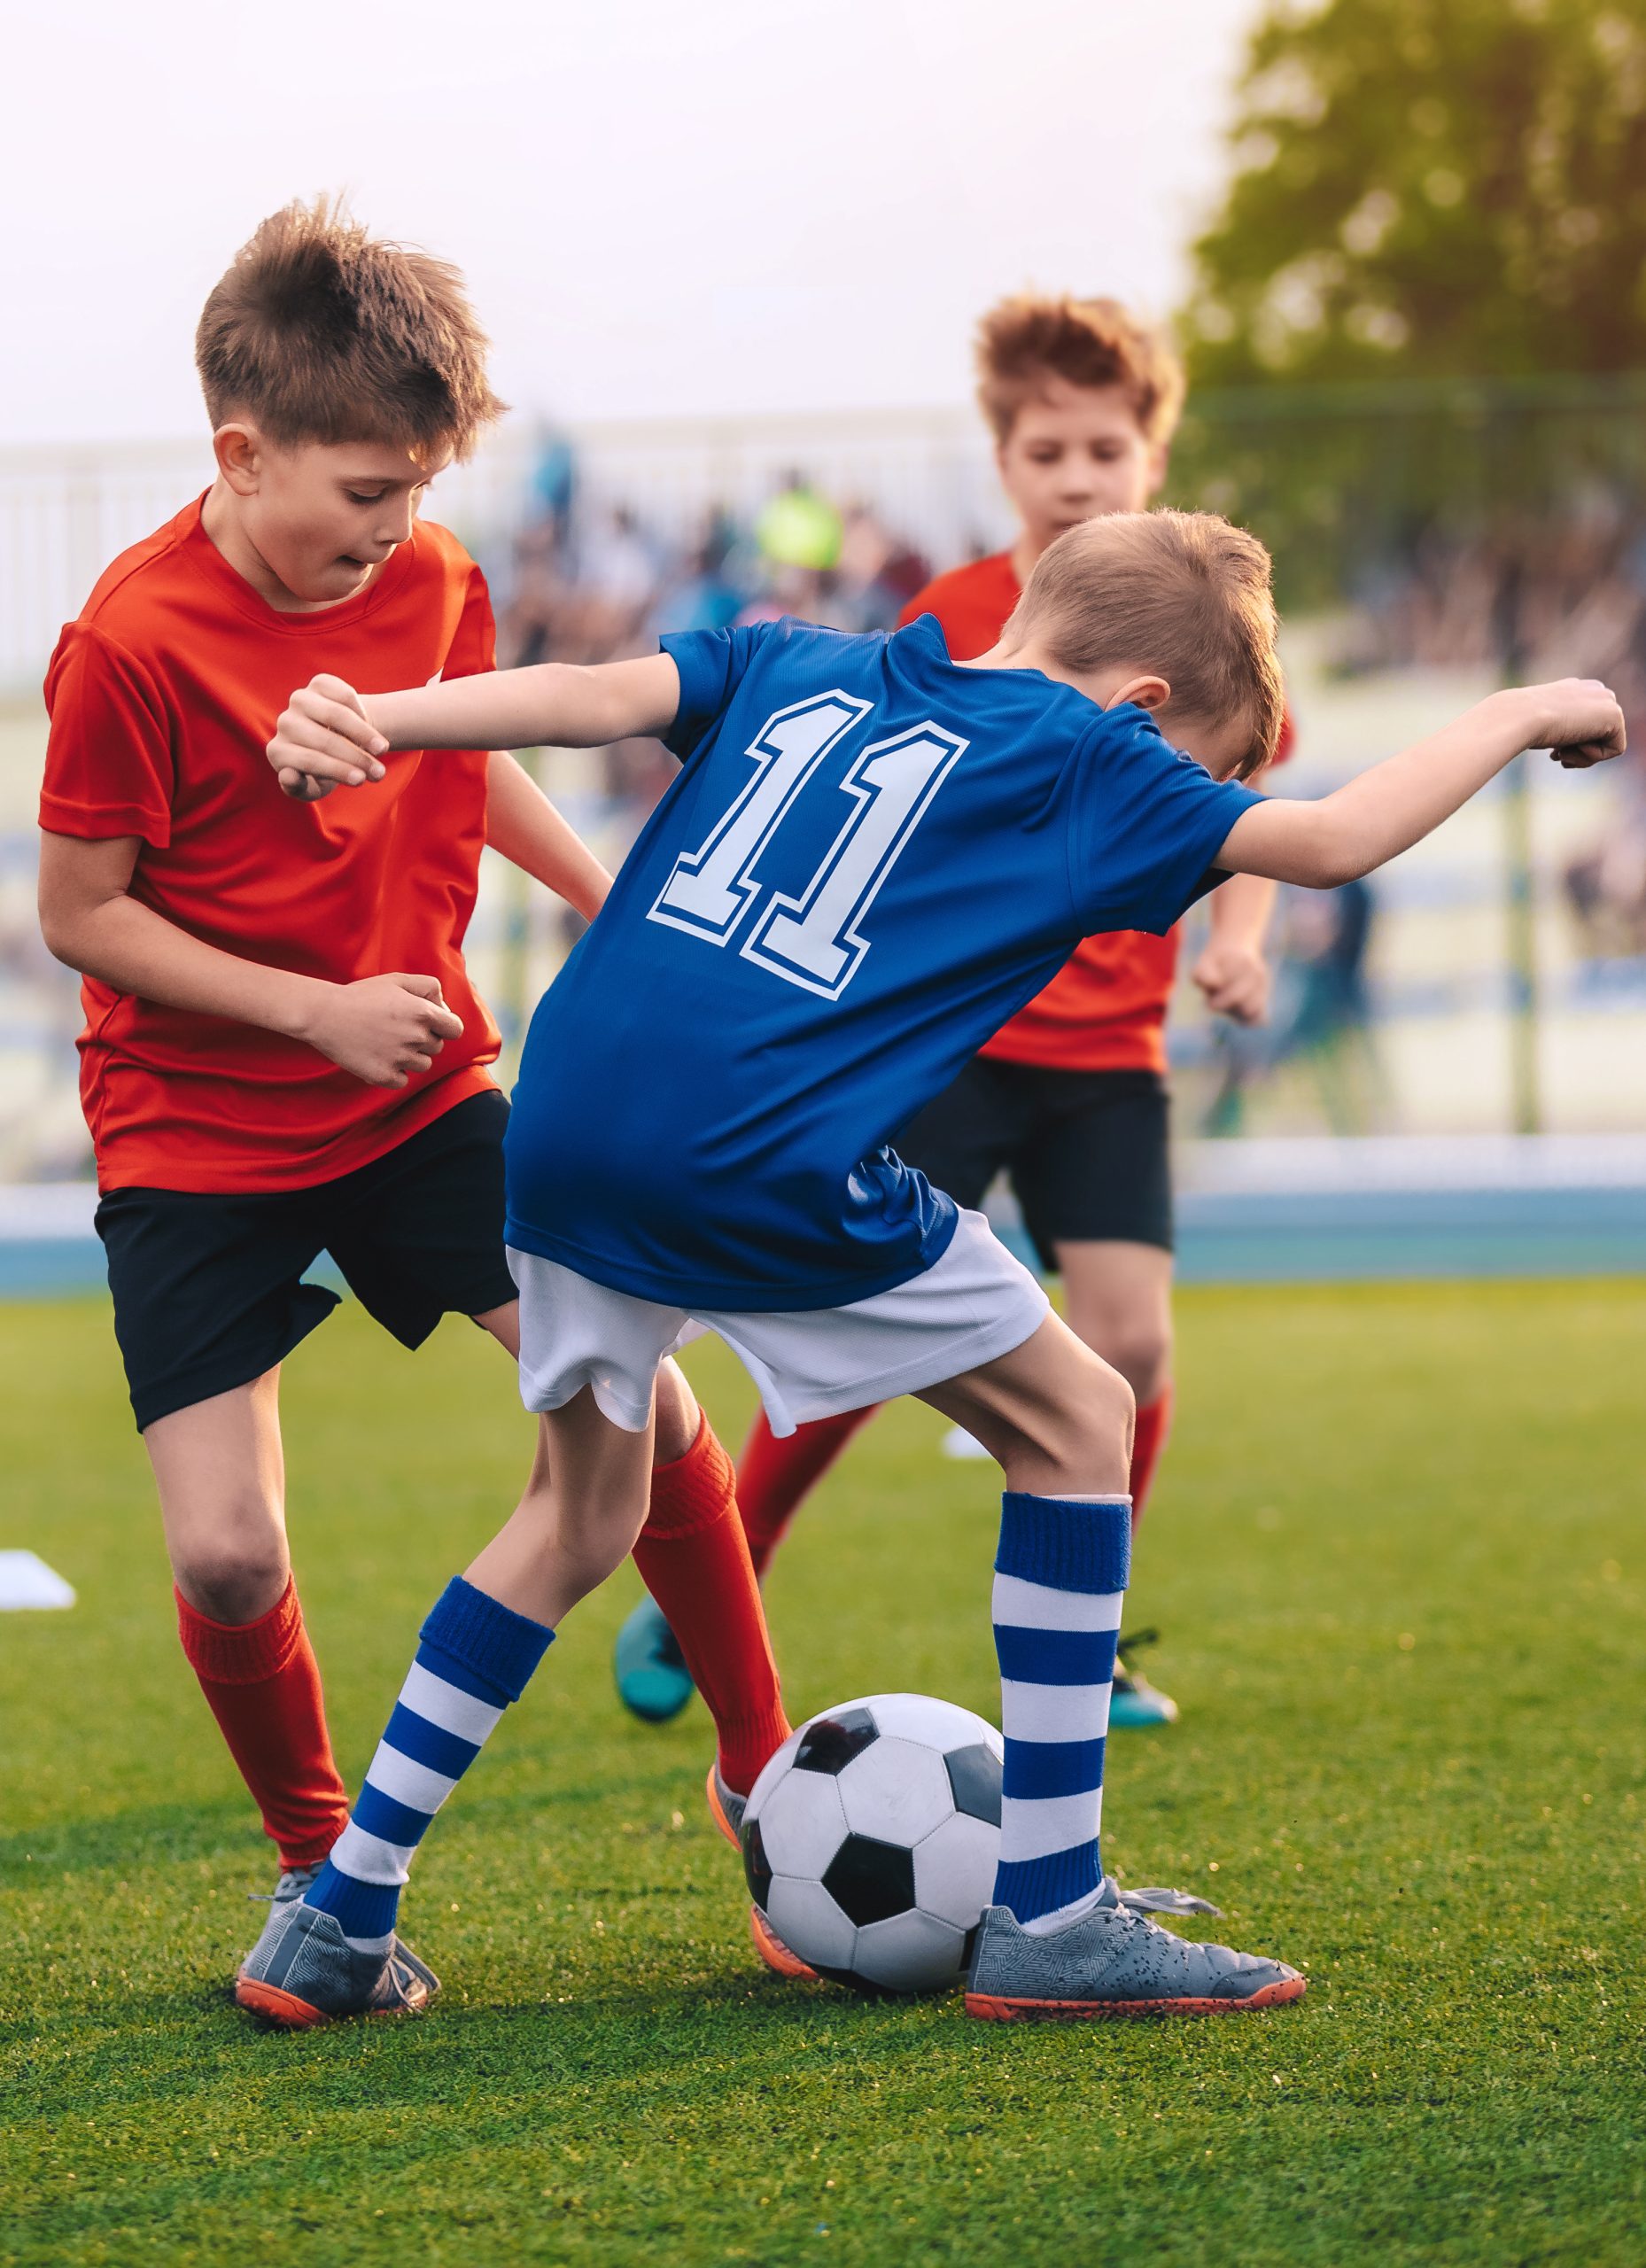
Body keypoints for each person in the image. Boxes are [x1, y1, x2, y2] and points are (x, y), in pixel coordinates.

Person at [251, 505, 1622, 2025]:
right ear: (1145, 708)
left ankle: (340, 1913)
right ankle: (1050, 1911)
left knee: (578, 1512)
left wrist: (374, 715)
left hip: (563, 1115)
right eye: (1203, 769)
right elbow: (1332, 840)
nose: (1185, 801)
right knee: (1081, 1423)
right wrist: (1525, 707)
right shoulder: (1099, 758)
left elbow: (580, 695)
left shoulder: (802, 657)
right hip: (751, 1149)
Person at [35, 198, 788, 2024]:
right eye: (364, 491)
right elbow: (79, 912)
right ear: (242, 450)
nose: (395, 530)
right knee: (226, 1547)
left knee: (641, 1392)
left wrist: (614, 900)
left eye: (417, 490)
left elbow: (469, 760)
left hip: (420, 1093)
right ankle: (324, 1877)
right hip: (194, 1132)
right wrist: (307, 1006)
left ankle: (762, 1775)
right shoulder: (122, 642)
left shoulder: (434, 578)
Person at [616, 293, 1282, 1731]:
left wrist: (1240, 940)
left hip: (1111, 1059)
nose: (1079, 476)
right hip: (956, 1046)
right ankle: (722, 1577)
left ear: (1148, 454)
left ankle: (1087, 1645)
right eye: (1048, 450)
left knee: (1134, 1346)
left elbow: (1249, 817)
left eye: (1107, 448)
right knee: (866, 1340)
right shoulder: (961, 622)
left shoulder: (1209, 639)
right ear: (1005, 460)